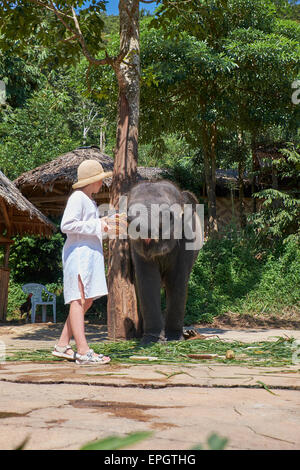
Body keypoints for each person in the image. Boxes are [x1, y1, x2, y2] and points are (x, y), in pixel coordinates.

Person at [52, 159, 126, 365]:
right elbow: (67, 225)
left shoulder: (88, 200)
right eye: (100, 179)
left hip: (88, 256)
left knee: (88, 299)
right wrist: (98, 224)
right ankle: (83, 350)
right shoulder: (78, 198)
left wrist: (108, 227)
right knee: (78, 300)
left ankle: (62, 344)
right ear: (92, 180)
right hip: (78, 256)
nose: (102, 183)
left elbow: (89, 229)